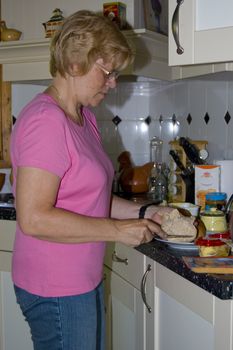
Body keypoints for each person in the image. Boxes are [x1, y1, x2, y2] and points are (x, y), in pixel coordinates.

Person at [10, 10, 170, 350]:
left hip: (80, 278)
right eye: (108, 72)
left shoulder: (83, 118)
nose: (113, 83)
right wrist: (116, 230)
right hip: (55, 286)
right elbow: (34, 217)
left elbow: (91, 197)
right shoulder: (45, 122)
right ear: (74, 64)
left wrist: (145, 213)